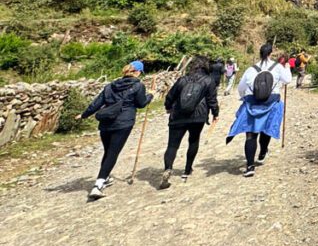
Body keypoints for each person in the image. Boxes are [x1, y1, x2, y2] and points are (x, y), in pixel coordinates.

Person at [78, 61, 152, 200]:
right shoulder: (138, 86)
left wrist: (84, 114)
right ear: (137, 72)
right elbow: (141, 104)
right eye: (140, 73)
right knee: (112, 153)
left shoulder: (110, 86)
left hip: (106, 122)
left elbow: (97, 103)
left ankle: (104, 178)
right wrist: (150, 96)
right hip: (123, 123)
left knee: (108, 151)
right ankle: (98, 185)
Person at [226, 43, 291, 177]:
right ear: (270, 54)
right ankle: (262, 152)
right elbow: (288, 80)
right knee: (266, 129)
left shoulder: (251, 69)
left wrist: (245, 98)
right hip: (271, 102)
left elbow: (240, 88)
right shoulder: (277, 67)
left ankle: (250, 166)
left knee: (251, 135)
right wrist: (288, 68)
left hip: (252, 103)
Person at [159, 56, 219, 189]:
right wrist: (215, 113)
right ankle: (187, 169)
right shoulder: (209, 81)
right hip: (198, 117)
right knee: (193, 141)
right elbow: (212, 100)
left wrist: (168, 108)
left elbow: (170, 96)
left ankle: (168, 168)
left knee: (172, 145)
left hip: (178, 115)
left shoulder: (182, 80)